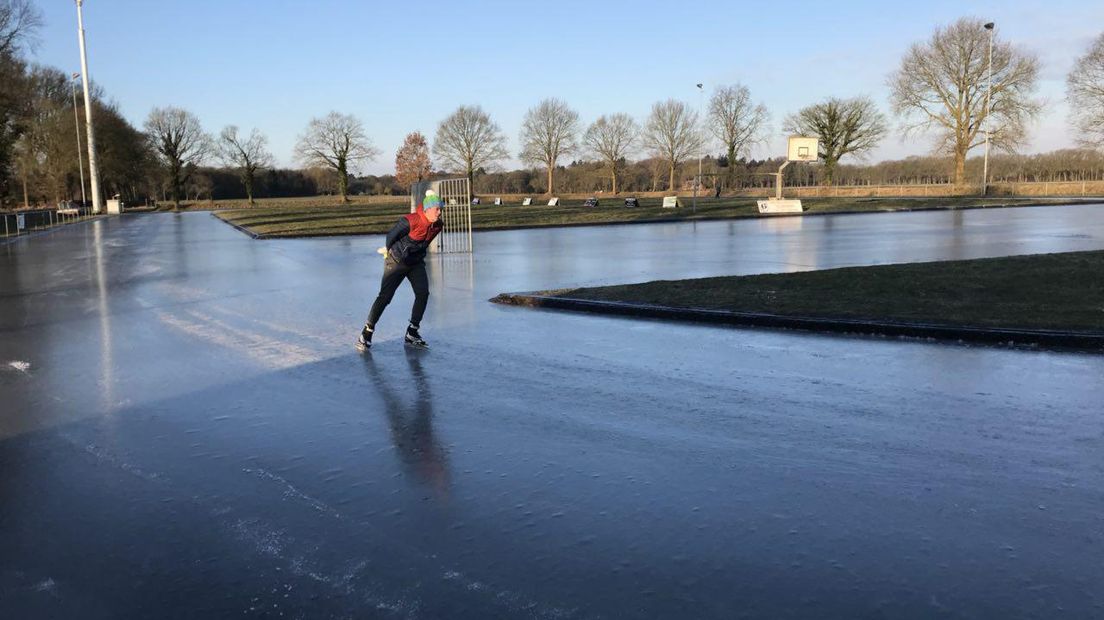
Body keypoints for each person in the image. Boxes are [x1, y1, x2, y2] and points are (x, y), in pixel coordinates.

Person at [357, 190, 443, 350]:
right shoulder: (410, 221)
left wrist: (417, 254)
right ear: (427, 209)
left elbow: (425, 242)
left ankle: (412, 332)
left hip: (415, 262)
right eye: (437, 208)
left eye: (441, 208)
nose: (440, 212)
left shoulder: (438, 225)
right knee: (385, 297)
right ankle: (367, 332)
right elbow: (391, 236)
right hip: (396, 261)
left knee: (423, 293)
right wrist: (389, 252)